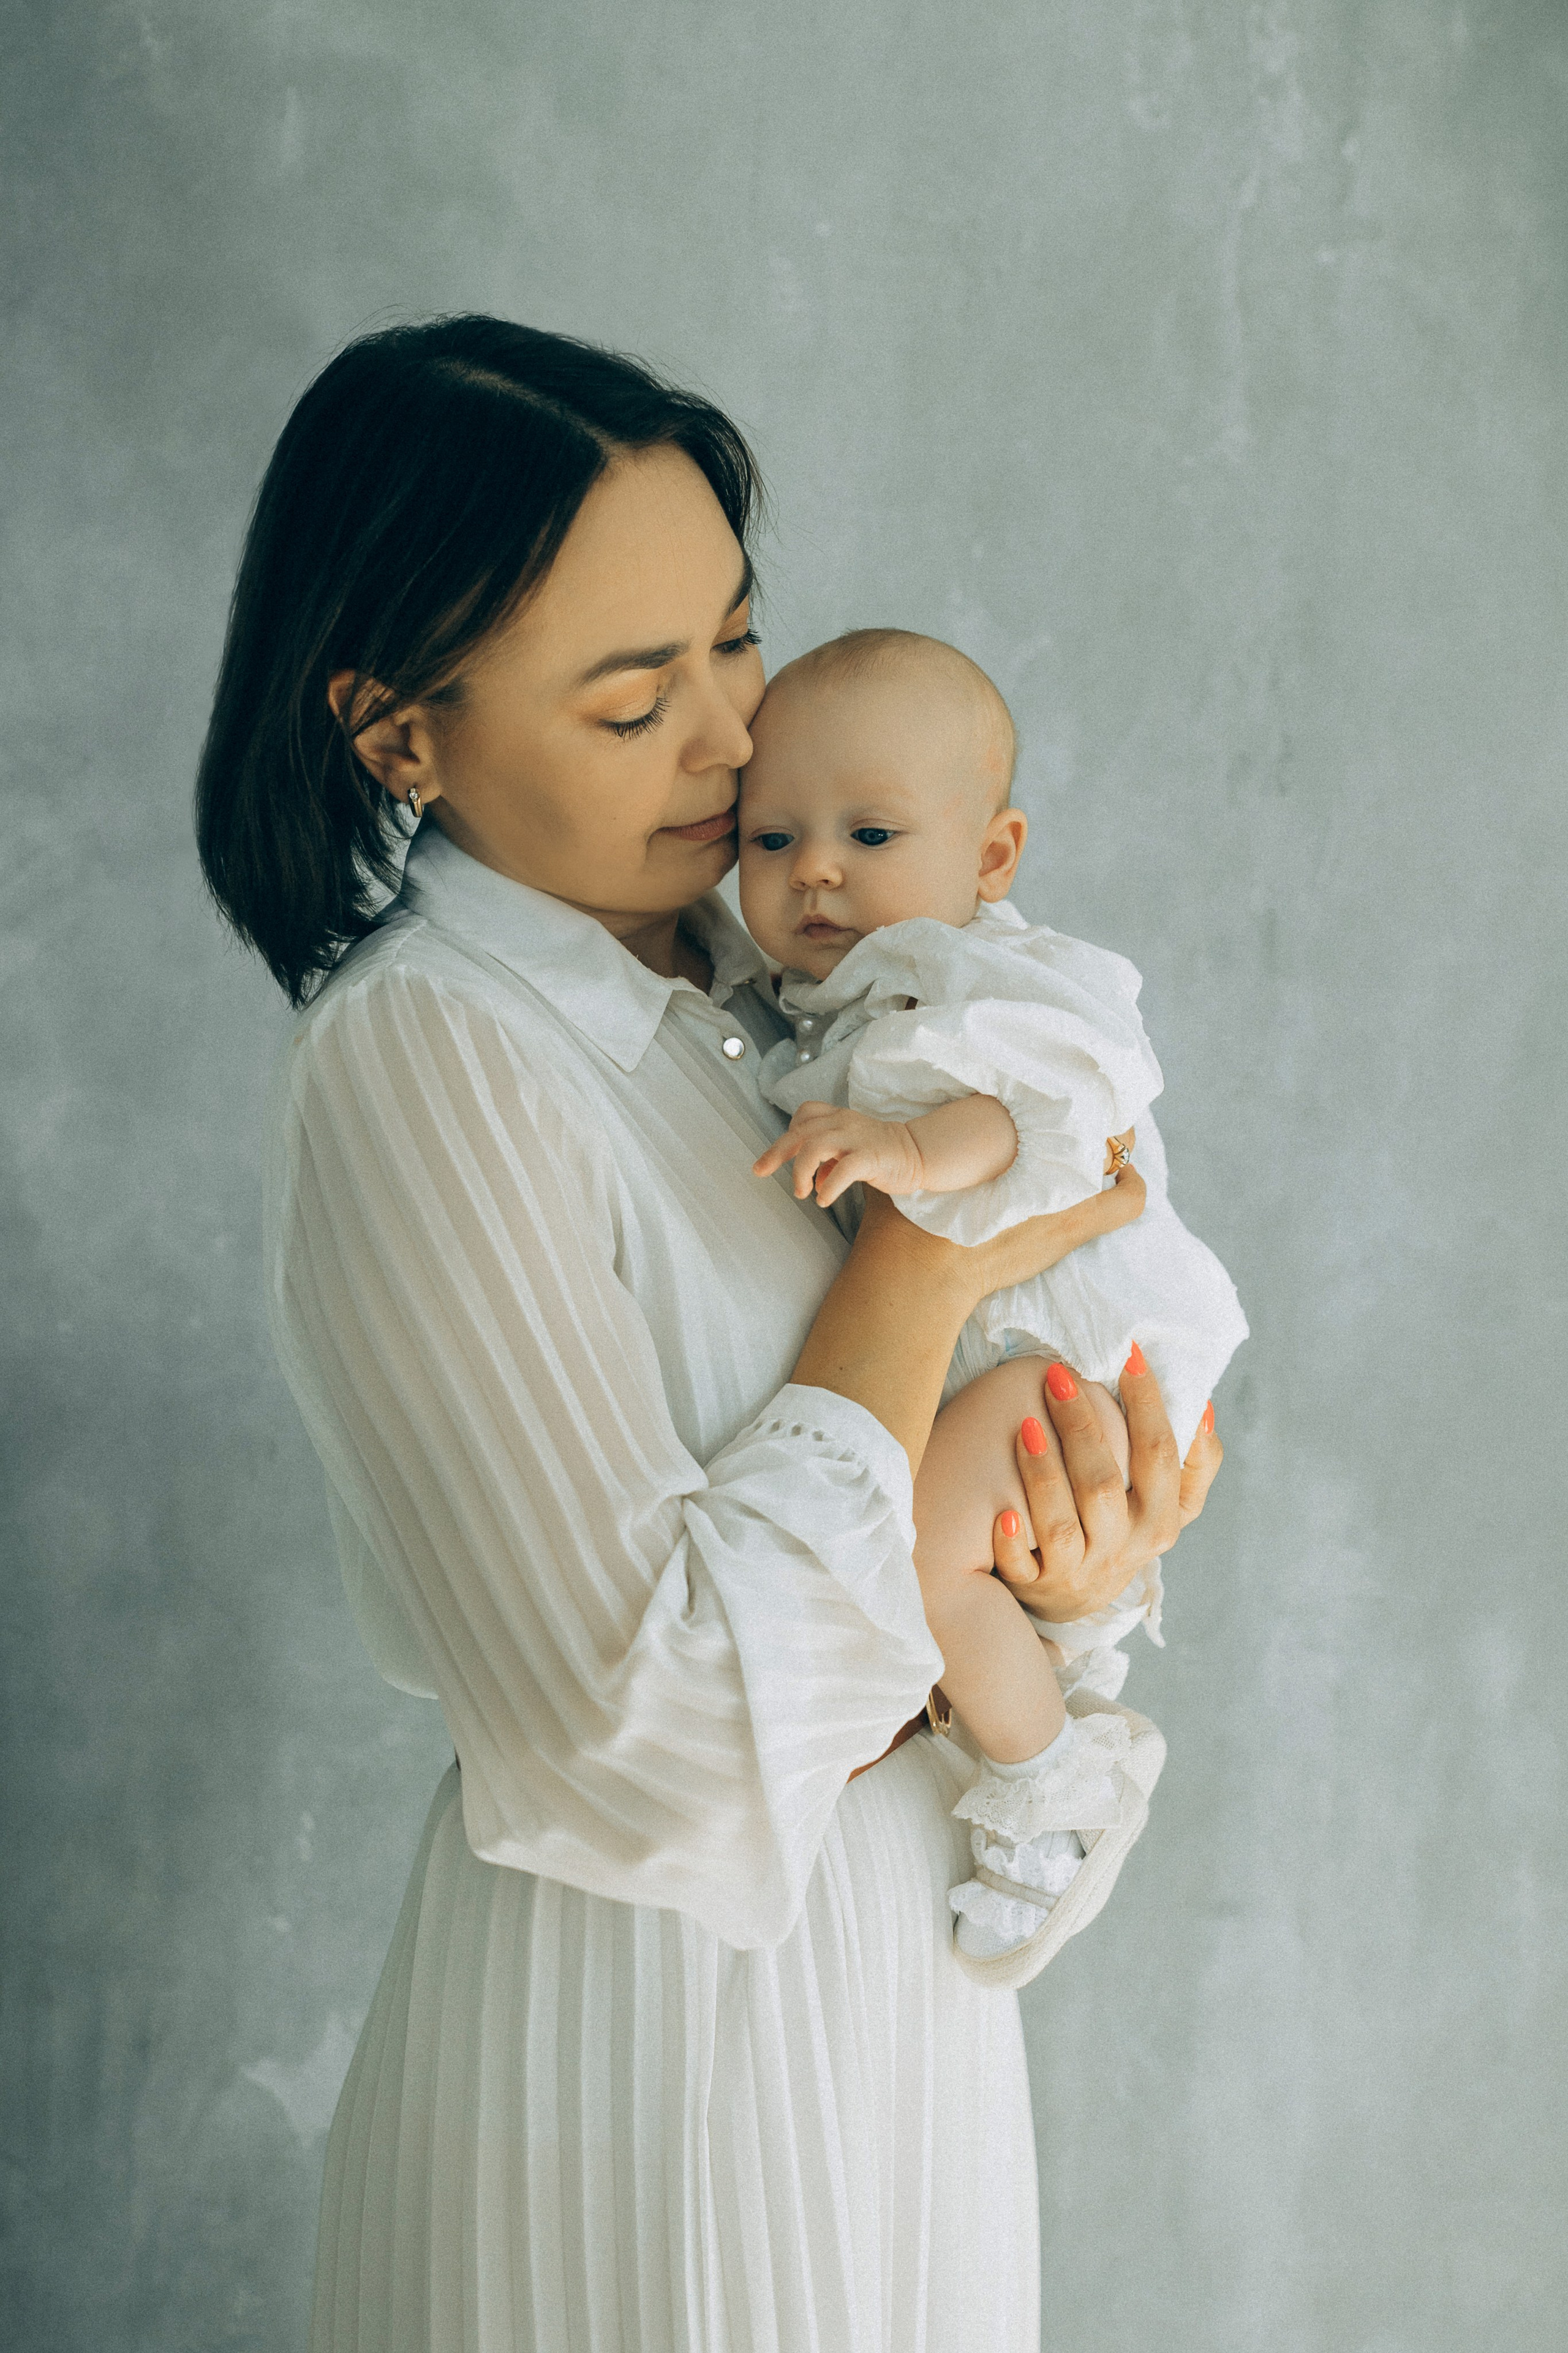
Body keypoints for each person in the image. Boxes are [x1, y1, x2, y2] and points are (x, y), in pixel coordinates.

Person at [195, 314, 1223, 2352]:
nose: (735, 743)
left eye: (736, 645)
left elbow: (909, 1514)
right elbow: (632, 1740)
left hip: (887, 2000)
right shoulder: (437, 1057)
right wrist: (918, 1280)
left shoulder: (768, 1015)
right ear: (400, 733)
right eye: (629, 699)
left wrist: (1061, 1569)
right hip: (644, 2047)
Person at [737, 628, 1248, 1985]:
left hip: (1068, 1334)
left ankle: (1058, 1793)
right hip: (1009, 1337)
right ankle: (1052, 1710)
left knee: (917, 1558)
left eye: (868, 831)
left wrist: (906, 1158)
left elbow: (1038, 1109)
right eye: (770, 837)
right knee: (956, 1558)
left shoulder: (980, 978)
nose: (815, 870)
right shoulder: (825, 990)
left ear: (991, 858)